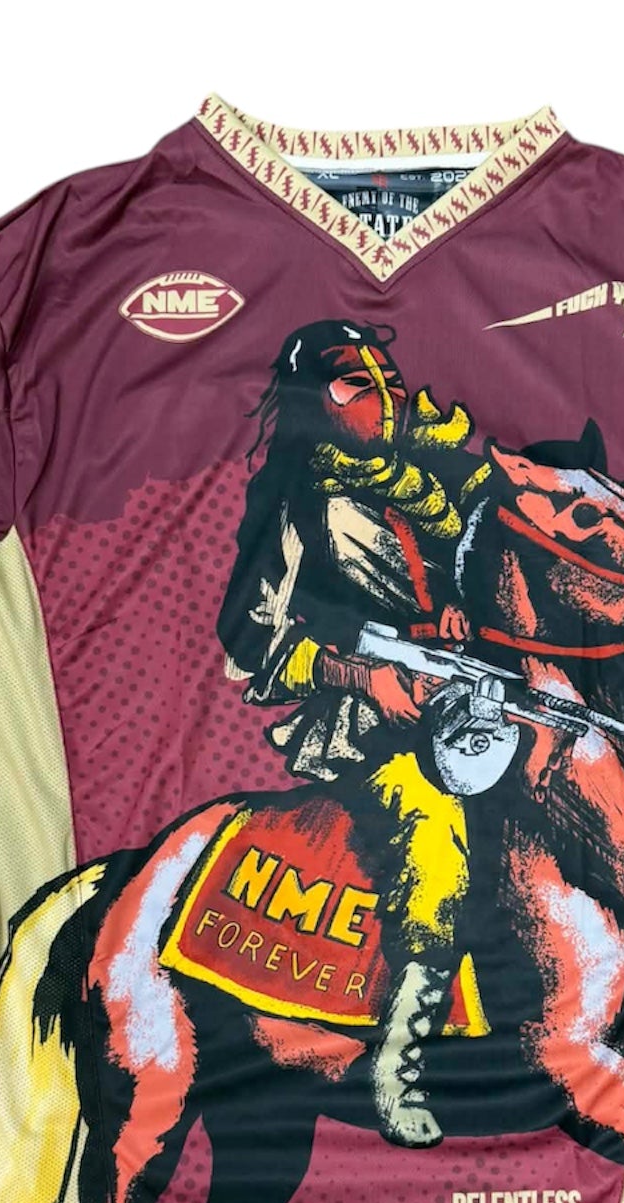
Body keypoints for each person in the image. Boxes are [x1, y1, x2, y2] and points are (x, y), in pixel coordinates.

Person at [217, 320, 488, 1147]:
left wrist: (456, 614)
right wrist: (361, 677)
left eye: (389, 380)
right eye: (357, 384)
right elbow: (249, 636)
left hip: (467, 695)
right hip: (368, 717)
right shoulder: (298, 498)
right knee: (435, 834)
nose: (385, 399)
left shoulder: (427, 484)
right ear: (314, 400)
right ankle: (399, 1064)